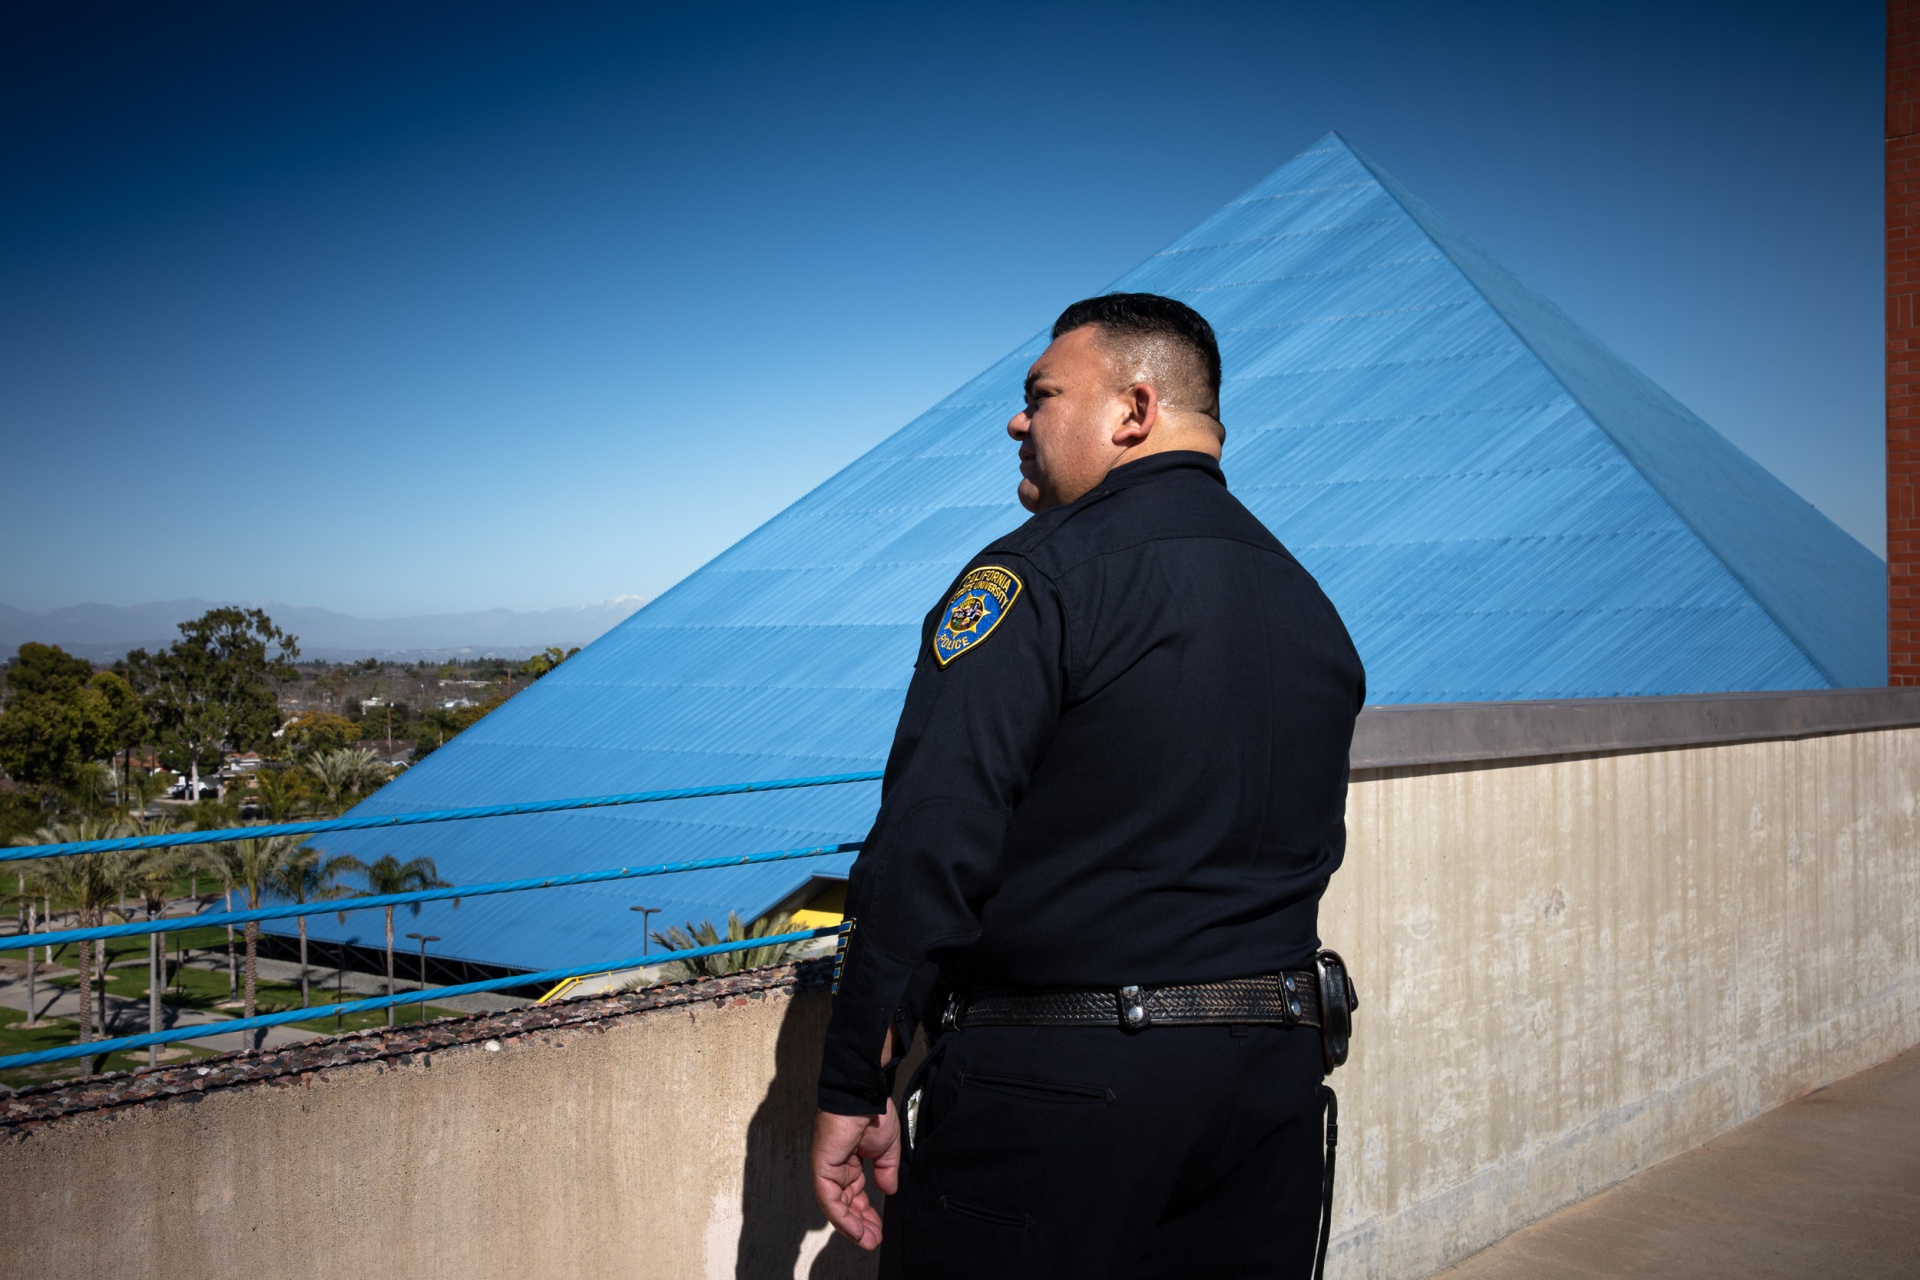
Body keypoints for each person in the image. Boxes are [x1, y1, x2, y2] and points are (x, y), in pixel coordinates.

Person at [810, 292, 1365, 1278]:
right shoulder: (1309, 603)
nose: (1019, 421)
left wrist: (854, 1075)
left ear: (1134, 409)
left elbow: (930, 841)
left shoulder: (1038, 578)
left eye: (1041, 394)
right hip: (1269, 1087)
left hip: (1059, 1099)